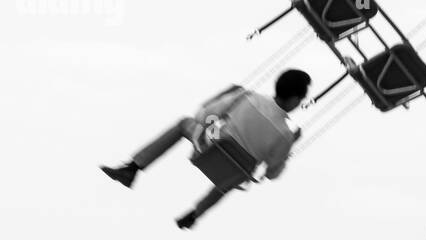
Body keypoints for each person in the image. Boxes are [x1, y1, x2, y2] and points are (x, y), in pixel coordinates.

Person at [101, 69, 311, 230]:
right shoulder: (284, 135)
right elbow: (272, 173)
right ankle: (194, 215)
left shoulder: (247, 97)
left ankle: (133, 167)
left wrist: (217, 114)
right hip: (231, 175)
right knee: (235, 175)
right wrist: (290, 145)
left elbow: (204, 114)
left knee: (185, 123)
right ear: (294, 98)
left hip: (206, 152)